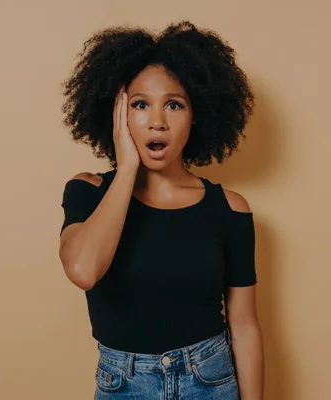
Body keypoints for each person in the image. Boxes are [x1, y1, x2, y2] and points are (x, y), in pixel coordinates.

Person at [58, 20, 264, 399]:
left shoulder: (230, 208)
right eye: (139, 105)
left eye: (174, 104)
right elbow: (84, 270)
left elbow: (245, 325)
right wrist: (128, 169)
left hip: (211, 381)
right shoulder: (88, 191)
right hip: (124, 385)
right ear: (117, 114)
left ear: (196, 114)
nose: (157, 121)